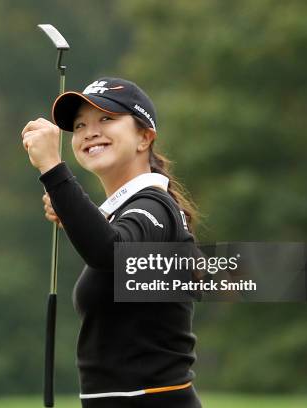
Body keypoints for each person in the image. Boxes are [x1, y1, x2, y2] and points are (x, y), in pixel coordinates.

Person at [21, 77, 202, 408]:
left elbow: (112, 253)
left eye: (106, 119)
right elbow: (108, 241)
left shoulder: (155, 206)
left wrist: (53, 168)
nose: (90, 131)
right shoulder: (127, 214)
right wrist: (75, 212)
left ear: (144, 137)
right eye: (79, 125)